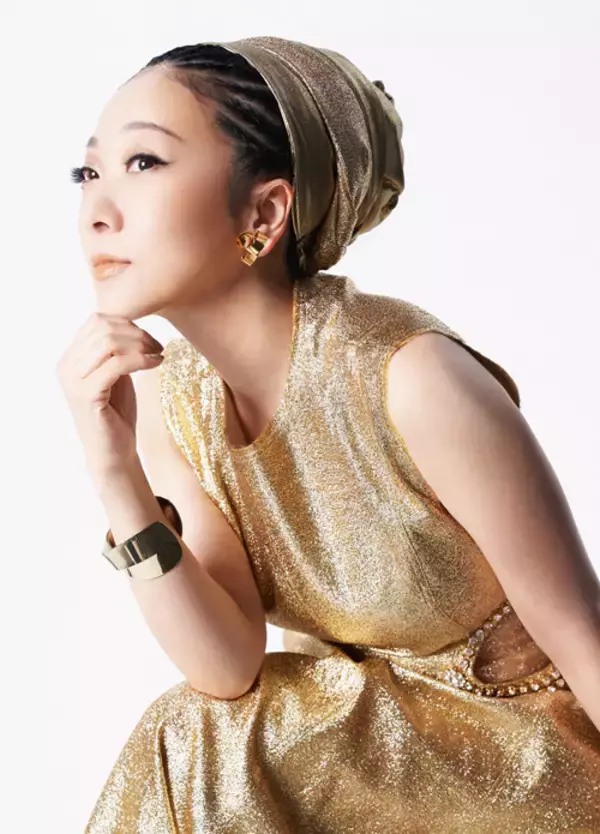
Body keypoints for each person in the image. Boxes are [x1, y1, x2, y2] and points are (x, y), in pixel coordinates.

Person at [56, 36, 600, 833]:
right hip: (370, 757)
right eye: (88, 172)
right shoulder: (176, 401)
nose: (98, 210)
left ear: (263, 213)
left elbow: (581, 635)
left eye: (144, 163)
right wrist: (114, 473)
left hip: (530, 763)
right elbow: (225, 668)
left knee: (202, 742)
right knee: (199, 730)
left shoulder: (409, 377)